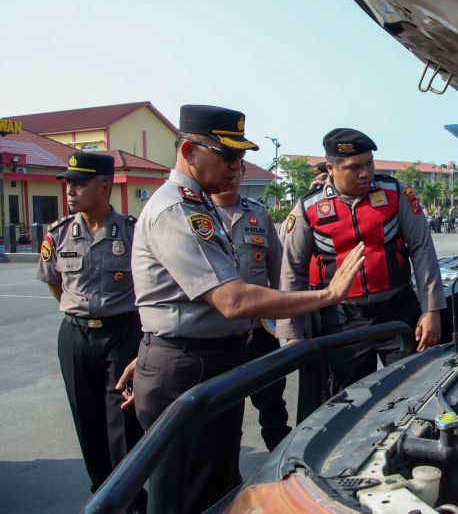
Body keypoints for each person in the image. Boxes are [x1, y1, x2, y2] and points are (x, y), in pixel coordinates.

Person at [117, 105, 364, 513]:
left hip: (207, 357)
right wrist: (326, 296)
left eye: (241, 156)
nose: (238, 166)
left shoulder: (203, 204)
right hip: (187, 364)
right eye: (227, 155)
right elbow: (233, 300)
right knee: (193, 493)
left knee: (214, 482)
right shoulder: (177, 210)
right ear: (190, 150)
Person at [279, 128, 445, 394]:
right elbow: (292, 272)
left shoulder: (396, 194)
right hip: (343, 322)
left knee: (415, 392)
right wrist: (293, 334)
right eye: (354, 167)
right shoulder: (308, 209)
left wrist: (432, 310)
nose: (365, 172)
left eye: (369, 163)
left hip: (400, 316)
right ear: (331, 169)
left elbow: (422, 250)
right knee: (348, 402)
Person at [36, 152, 146, 511]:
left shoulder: (132, 233)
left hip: (123, 335)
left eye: (79, 183)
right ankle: (102, 495)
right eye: (69, 183)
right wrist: (81, 311)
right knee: (88, 421)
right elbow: (56, 285)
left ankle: (131, 499)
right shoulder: (58, 234)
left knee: (125, 424)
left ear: (104, 186)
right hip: (76, 337)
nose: (71, 190)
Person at [210, 161, 289, 452]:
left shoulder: (258, 213)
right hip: (219, 333)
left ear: (243, 173)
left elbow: (279, 271)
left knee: (272, 406)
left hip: (260, 331)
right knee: (224, 415)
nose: (231, 176)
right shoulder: (197, 214)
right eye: (225, 167)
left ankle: (281, 466)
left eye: (237, 169)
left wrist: (287, 323)